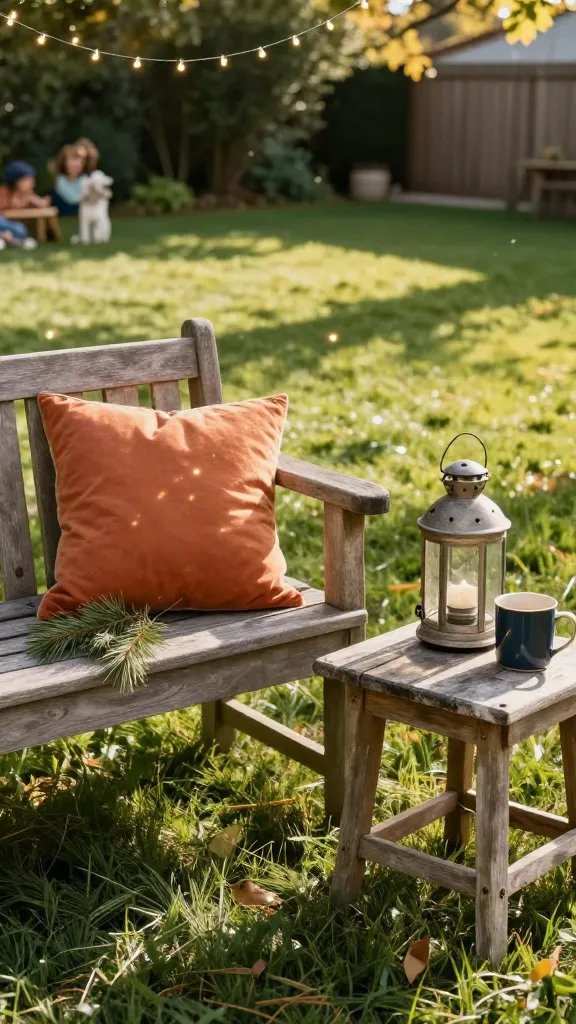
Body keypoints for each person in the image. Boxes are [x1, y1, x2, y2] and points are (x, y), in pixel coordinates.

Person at [51, 138, 99, 216]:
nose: (76, 164)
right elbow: (73, 200)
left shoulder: (86, 180)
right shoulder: (60, 181)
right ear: (64, 162)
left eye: (81, 161)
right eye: (72, 159)